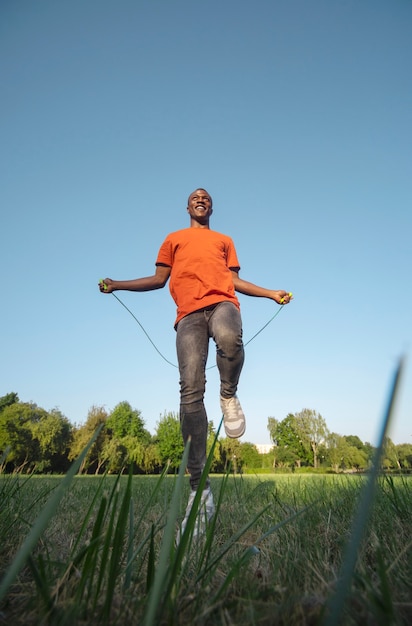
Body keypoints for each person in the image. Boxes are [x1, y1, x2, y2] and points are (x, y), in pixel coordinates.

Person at [99, 188, 292, 537]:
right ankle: (198, 489)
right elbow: (158, 280)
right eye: (194, 197)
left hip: (222, 304)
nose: (200, 199)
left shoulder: (224, 240)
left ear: (211, 207)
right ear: (187, 207)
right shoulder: (173, 239)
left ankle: (229, 395)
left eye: (205, 196)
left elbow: (234, 281)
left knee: (230, 338)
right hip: (187, 315)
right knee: (190, 391)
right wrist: (118, 284)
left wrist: (270, 292)